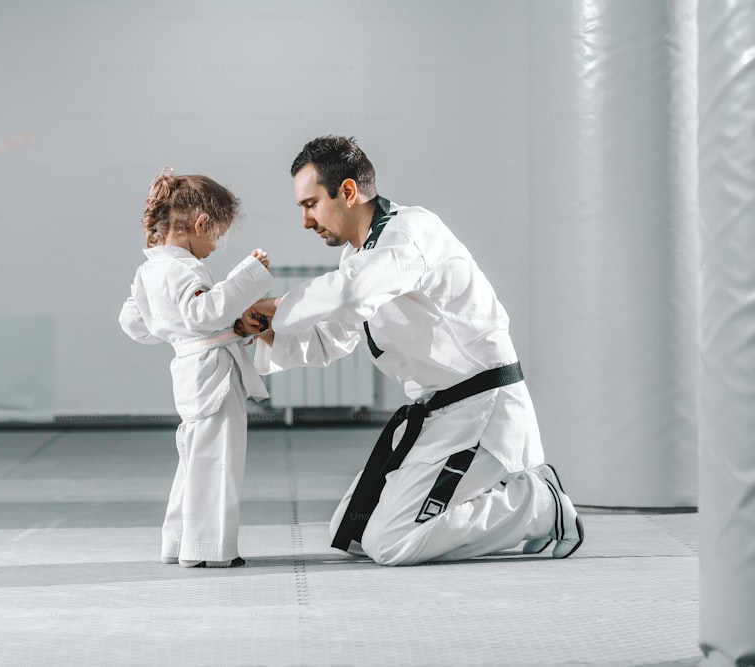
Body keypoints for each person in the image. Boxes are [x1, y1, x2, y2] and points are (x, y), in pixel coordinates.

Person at [242, 136, 583, 566]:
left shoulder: (410, 233)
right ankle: (502, 502)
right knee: (354, 532)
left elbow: (351, 296)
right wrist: (269, 333)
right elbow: (336, 336)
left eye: (310, 204)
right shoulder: (358, 258)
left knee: (392, 541)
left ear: (347, 192)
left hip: (481, 409)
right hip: (438, 414)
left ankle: (536, 504)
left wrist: (276, 306)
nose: (306, 221)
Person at [118, 168, 273, 568]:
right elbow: (203, 311)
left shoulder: (148, 270)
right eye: (216, 235)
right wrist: (248, 274)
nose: (216, 246)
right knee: (218, 461)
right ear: (201, 224)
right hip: (214, 373)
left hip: (189, 366)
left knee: (192, 459)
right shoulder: (185, 268)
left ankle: (177, 541)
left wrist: (231, 328)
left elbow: (136, 323)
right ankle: (209, 549)